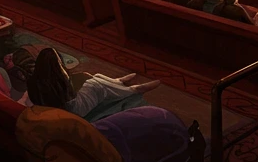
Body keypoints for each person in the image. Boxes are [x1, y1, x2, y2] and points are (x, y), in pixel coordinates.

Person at [25, 48, 160, 119]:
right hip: (74, 110)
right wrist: (83, 80)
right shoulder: (58, 82)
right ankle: (134, 90)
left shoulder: (36, 80)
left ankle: (117, 82)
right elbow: (70, 97)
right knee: (95, 85)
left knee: (95, 77)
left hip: (66, 106)